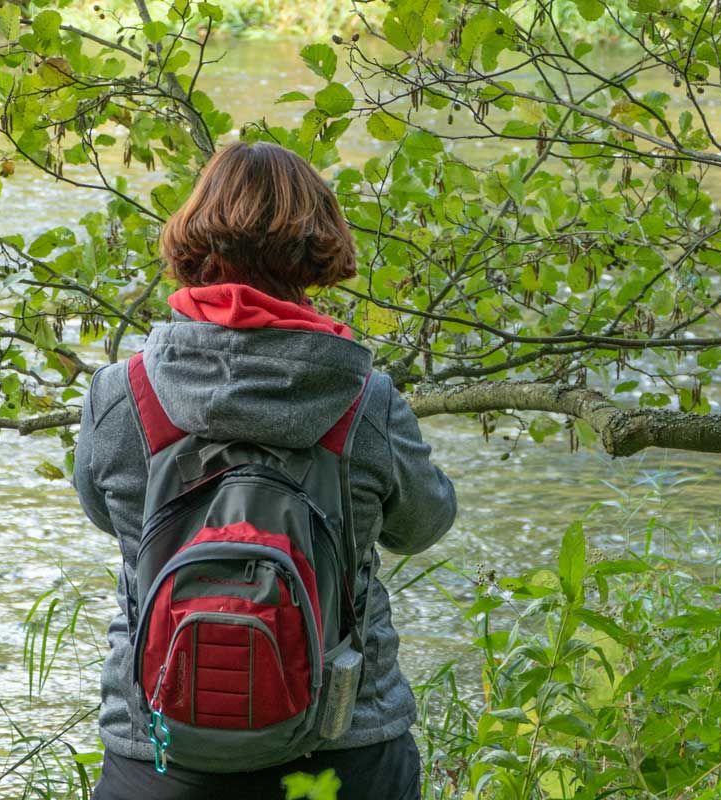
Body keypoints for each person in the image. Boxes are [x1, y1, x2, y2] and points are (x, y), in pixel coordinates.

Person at [73, 141, 457, 799]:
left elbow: (107, 514)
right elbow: (423, 525)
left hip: (158, 748)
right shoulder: (365, 398)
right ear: (316, 248)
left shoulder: (120, 395)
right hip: (343, 742)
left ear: (194, 239)